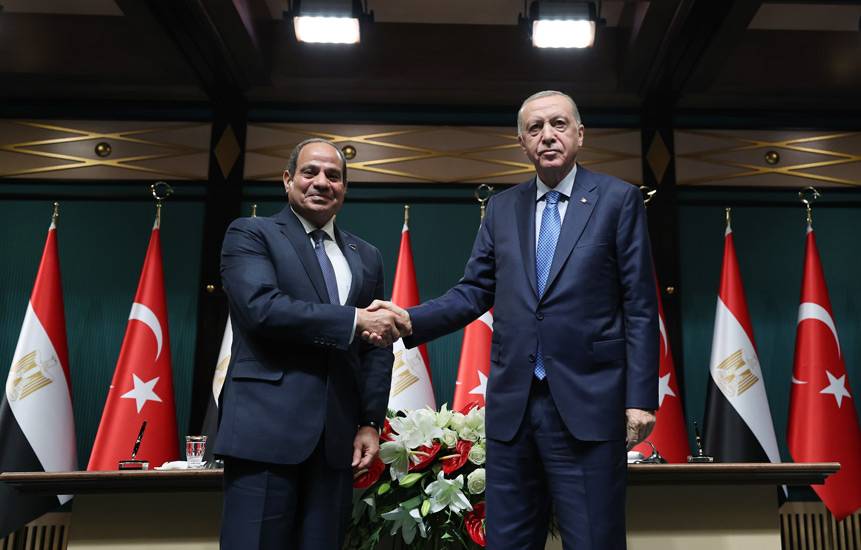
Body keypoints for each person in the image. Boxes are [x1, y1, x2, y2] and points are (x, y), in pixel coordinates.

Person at [367, 91, 658, 550]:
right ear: (522, 142)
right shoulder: (502, 208)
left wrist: (641, 400)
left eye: (559, 124)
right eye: (535, 128)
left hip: (589, 407)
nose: (548, 136)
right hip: (514, 412)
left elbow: (639, 305)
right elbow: (473, 290)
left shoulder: (618, 200)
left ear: (580, 135)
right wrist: (409, 318)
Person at [216, 138, 405, 550]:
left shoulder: (366, 255)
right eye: (310, 172)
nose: (321, 182)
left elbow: (376, 345)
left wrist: (370, 421)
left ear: (344, 188)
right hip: (263, 435)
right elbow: (262, 309)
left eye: (333, 176)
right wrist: (354, 319)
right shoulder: (251, 233)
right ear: (288, 180)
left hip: (336, 444)